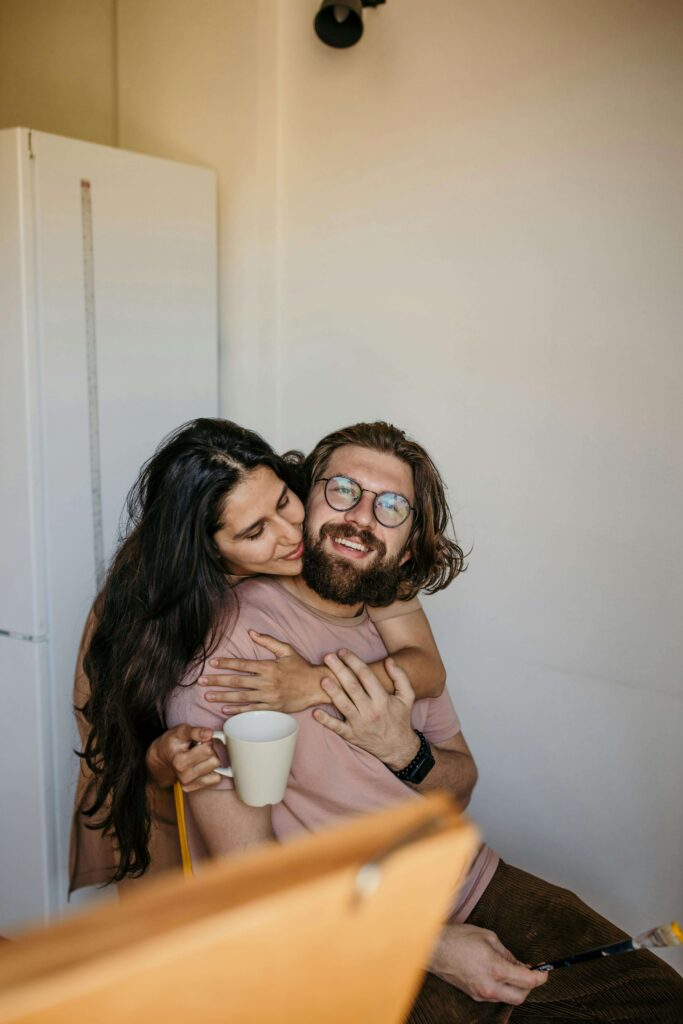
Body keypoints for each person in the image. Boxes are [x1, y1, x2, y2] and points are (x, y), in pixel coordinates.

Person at [165, 420, 683, 1022]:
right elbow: (249, 878)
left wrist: (403, 750)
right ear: (304, 496)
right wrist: (427, 945)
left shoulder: (402, 642)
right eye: (342, 490)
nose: (360, 515)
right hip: (343, 933)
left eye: (390, 506)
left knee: (657, 1001)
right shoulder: (232, 653)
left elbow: (459, 786)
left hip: (467, 883)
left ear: (408, 546)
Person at [72, 418, 452, 891]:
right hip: (183, 822)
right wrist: (161, 760)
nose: (292, 535)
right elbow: (121, 747)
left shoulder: (329, 527)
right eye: (255, 532)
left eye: (283, 502)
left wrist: (311, 683)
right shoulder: (142, 610)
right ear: (207, 552)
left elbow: (428, 667)